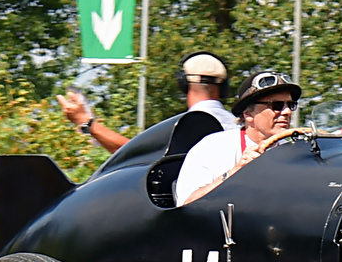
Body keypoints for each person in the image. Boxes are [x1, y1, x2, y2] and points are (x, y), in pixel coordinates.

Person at [58, 51, 237, 153]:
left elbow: (134, 153)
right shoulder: (240, 126)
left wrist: (87, 122)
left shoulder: (182, 128)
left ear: (183, 83)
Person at [174, 70, 301, 207]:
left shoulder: (294, 153)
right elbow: (186, 205)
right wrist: (234, 173)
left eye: (291, 105)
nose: (287, 112)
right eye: (276, 106)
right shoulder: (212, 147)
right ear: (248, 115)